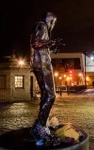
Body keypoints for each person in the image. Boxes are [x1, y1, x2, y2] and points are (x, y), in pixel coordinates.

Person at [30, 12, 59, 146]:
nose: (53, 25)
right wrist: (50, 42)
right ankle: (40, 127)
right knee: (51, 96)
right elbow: (35, 43)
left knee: (45, 96)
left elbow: (41, 46)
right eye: (53, 22)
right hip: (43, 65)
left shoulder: (42, 28)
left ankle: (40, 125)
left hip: (39, 64)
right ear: (50, 20)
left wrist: (52, 45)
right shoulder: (42, 26)